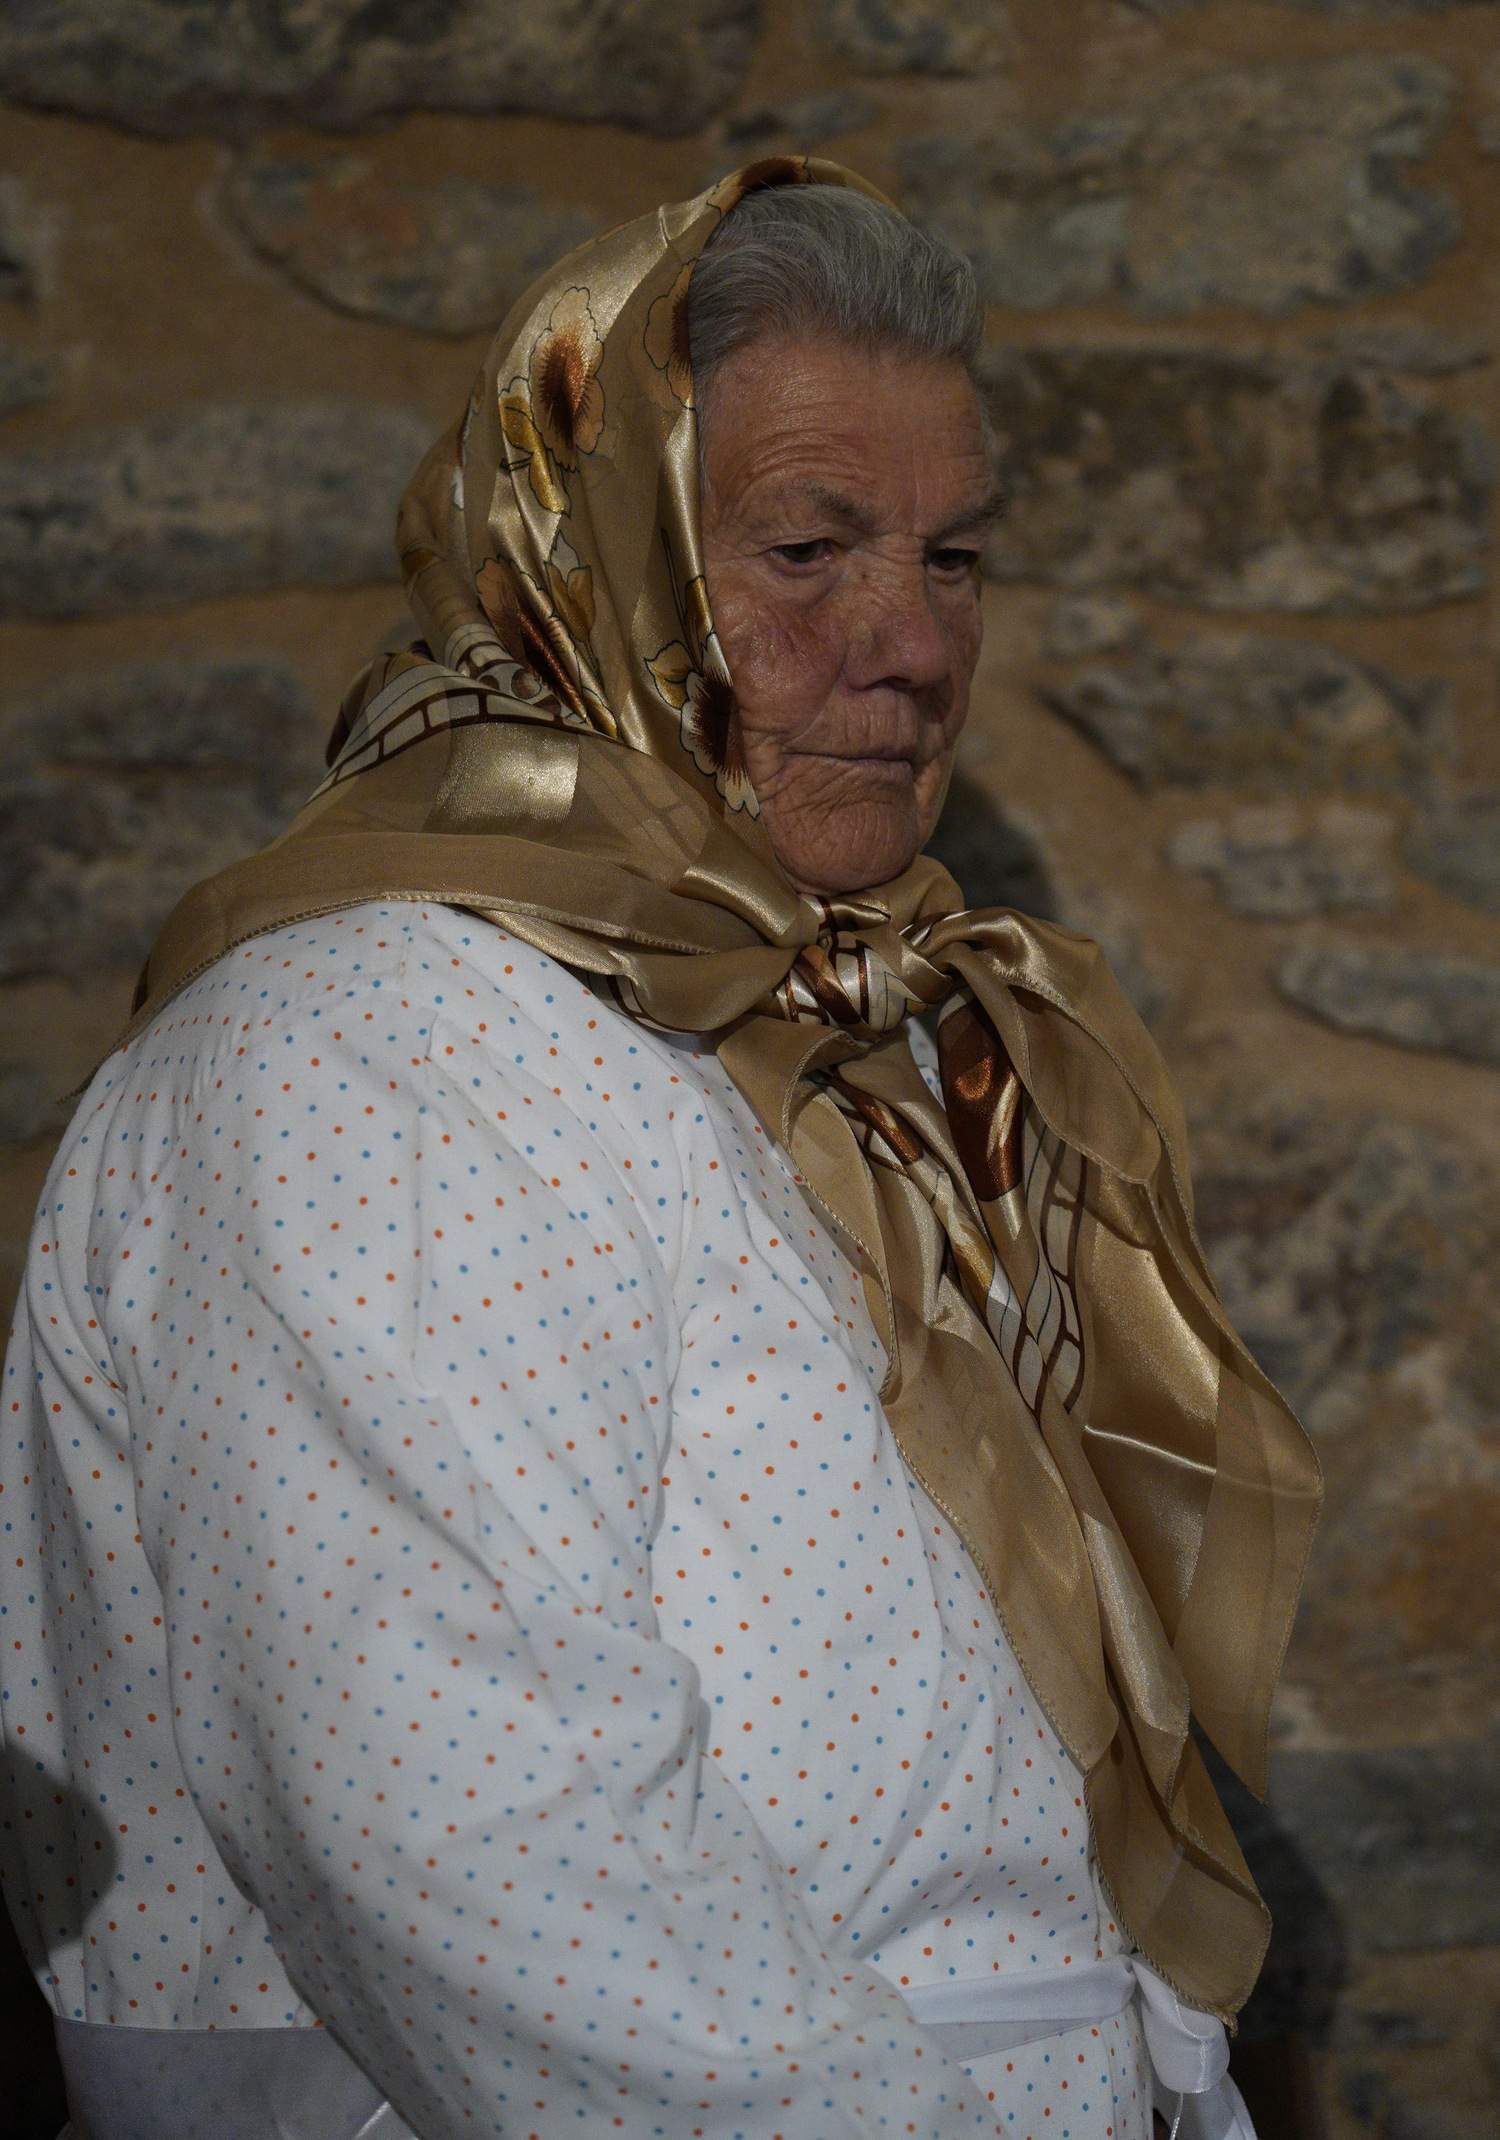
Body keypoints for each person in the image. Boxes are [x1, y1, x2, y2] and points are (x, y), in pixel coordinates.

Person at [0, 161, 1320, 2140]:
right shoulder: (381, 1045)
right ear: (584, 552)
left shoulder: (776, 1034)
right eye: (805, 548)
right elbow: (470, 1828)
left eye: (953, 553)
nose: (909, 638)